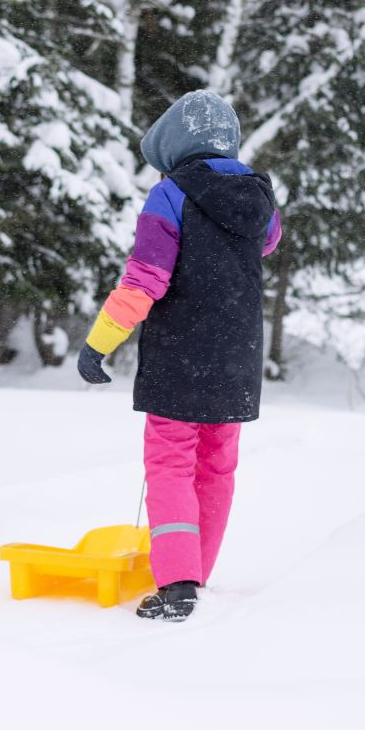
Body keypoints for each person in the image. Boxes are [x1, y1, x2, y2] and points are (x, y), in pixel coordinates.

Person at [78, 90, 280, 621]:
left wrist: (99, 343)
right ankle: (198, 574)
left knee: (170, 465)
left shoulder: (170, 195)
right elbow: (267, 242)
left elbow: (144, 281)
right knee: (216, 468)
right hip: (238, 360)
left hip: (180, 357)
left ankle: (178, 583)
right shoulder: (260, 196)